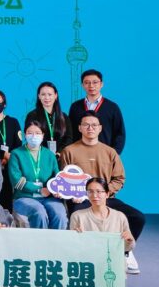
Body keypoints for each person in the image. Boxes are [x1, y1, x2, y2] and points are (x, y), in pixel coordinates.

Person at [59, 111, 144, 273]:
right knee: (77, 219)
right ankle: (85, 257)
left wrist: (104, 193)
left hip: (106, 198)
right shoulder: (69, 151)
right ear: (79, 128)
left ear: (100, 128)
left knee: (138, 217)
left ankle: (124, 251)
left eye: (94, 125)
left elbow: (119, 178)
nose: (90, 128)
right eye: (86, 125)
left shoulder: (110, 152)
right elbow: (63, 179)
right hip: (81, 199)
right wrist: (74, 194)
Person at [8, 119, 67, 229]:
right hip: (24, 197)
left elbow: (57, 178)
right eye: (30, 133)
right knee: (39, 212)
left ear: (43, 135)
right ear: (25, 135)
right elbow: (17, 181)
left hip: (48, 198)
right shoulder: (16, 154)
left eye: (37, 133)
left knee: (59, 214)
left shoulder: (50, 155)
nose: (33, 136)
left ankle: (58, 239)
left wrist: (56, 190)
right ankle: (40, 240)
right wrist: (39, 189)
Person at [70, 177, 136, 261]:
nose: (94, 195)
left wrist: (129, 240)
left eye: (99, 191)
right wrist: (73, 236)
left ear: (107, 194)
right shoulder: (77, 216)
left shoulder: (120, 217)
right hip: (89, 262)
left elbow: (127, 247)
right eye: (90, 191)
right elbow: (74, 248)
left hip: (113, 262)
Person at [68, 69, 126, 154]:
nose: (91, 86)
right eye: (87, 82)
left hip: (104, 155)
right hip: (80, 154)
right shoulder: (75, 107)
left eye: (95, 82)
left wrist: (114, 154)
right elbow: (71, 132)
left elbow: (119, 134)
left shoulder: (112, 107)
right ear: (82, 85)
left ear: (101, 84)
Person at [25, 81, 71, 152]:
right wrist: (46, 154)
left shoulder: (64, 116)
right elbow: (30, 138)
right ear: (39, 96)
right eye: (43, 94)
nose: (46, 98)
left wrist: (59, 153)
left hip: (60, 155)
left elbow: (69, 138)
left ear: (55, 96)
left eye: (50, 94)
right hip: (39, 154)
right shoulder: (32, 115)